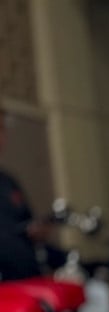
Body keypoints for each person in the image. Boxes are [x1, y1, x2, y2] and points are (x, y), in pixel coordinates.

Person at [0, 104, 42, 281]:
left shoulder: (9, 181)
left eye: (2, 129)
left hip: (25, 276)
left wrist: (38, 230)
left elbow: (29, 223)